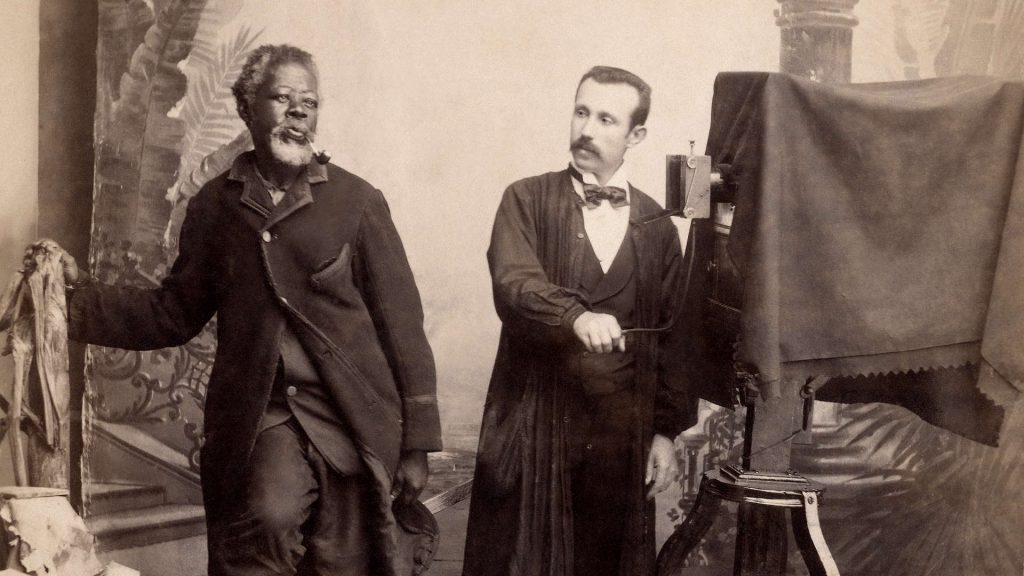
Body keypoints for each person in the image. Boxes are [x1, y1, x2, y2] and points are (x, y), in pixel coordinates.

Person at [58, 44, 441, 576]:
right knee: (265, 524)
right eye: (282, 98)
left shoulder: (358, 202)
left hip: (353, 419)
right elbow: (172, 313)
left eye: (309, 102)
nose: (298, 112)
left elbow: (404, 329)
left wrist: (417, 445)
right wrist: (75, 299)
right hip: (266, 417)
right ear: (247, 108)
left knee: (345, 561)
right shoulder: (215, 206)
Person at [462, 66, 697, 576]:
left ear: (636, 135)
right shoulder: (525, 199)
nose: (586, 129)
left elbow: (675, 336)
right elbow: (513, 282)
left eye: (606, 119)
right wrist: (574, 316)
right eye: (581, 112)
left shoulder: (657, 226)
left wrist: (665, 433)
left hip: (621, 437)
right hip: (536, 425)